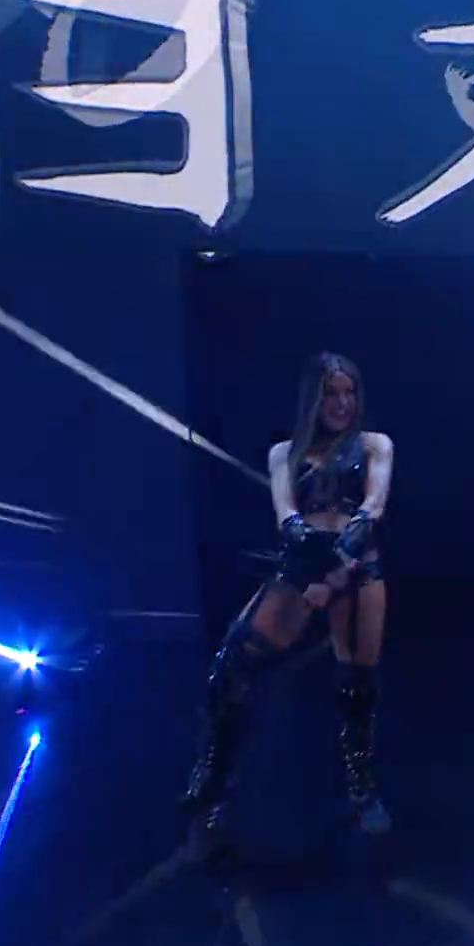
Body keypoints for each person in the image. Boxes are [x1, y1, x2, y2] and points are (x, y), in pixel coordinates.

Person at [182, 353, 396, 847]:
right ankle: (213, 772)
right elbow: (286, 516)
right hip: (305, 564)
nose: (342, 403)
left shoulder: (375, 444)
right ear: (312, 399)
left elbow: (374, 506)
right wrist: (312, 565)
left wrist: (337, 572)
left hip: (357, 566)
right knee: (232, 666)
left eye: (349, 392)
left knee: (357, 683)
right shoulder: (285, 453)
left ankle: (362, 790)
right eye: (331, 393)